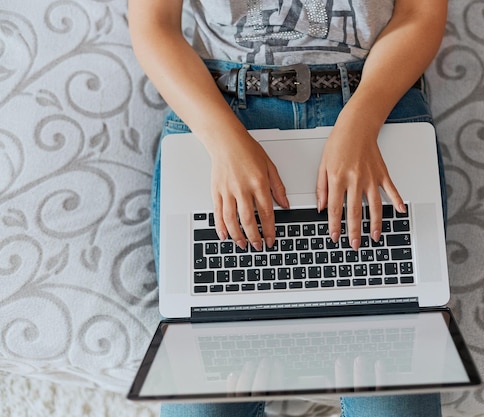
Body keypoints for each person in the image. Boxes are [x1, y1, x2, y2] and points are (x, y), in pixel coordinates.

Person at [128, 0, 448, 416]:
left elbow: (420, 14)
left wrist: (361, 123)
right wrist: (224, 143)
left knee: (391, 402)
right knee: (204, 403)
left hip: (374, 109)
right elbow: (155, 27)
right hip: (219, 115)